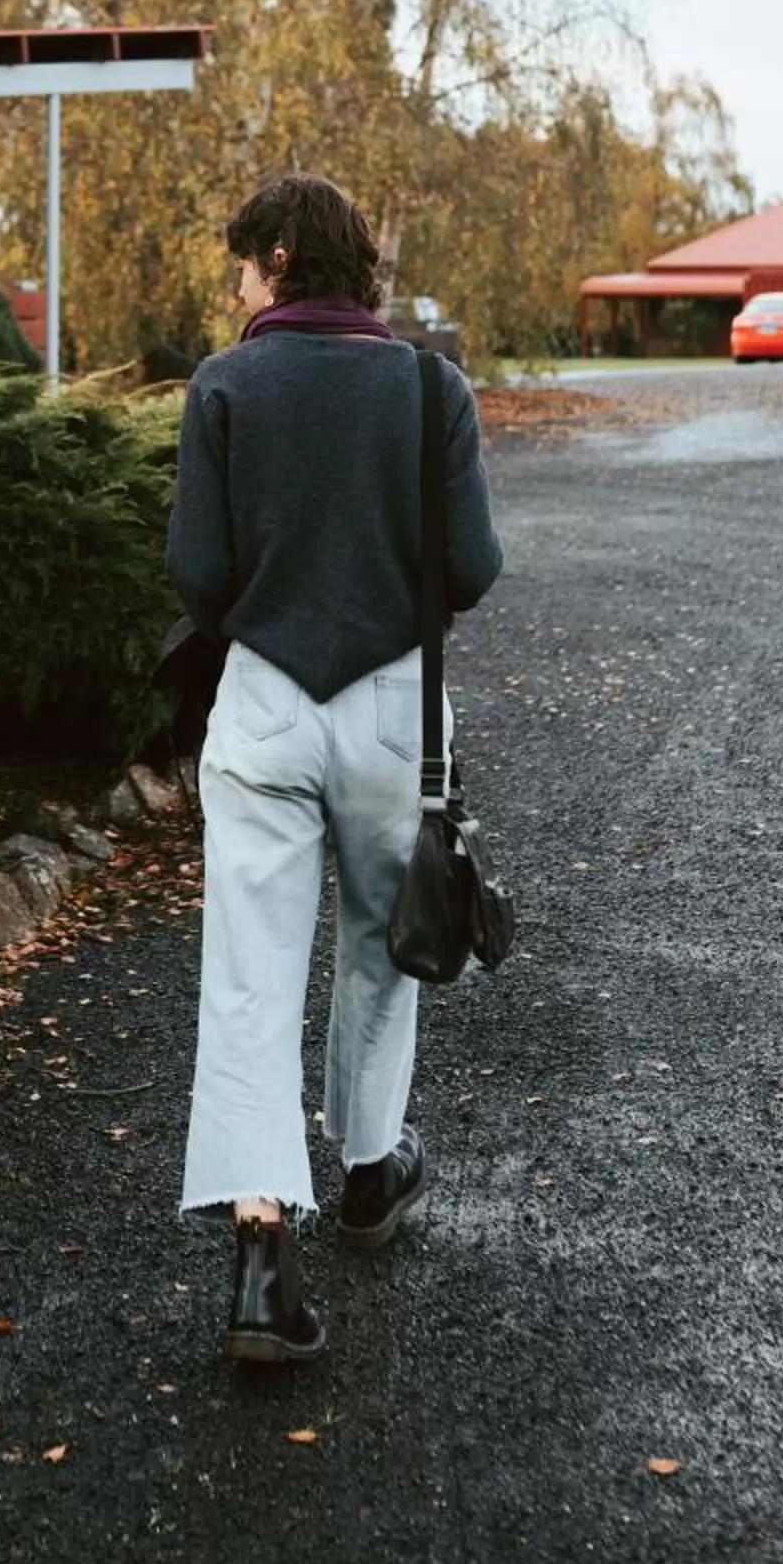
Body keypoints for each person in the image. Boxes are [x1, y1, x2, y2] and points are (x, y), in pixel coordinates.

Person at [167, 173, 504, 1362]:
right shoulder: (426, 386)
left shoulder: (223, 385)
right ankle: (366, 1174)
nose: (233, 287)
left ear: (273, 256)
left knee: (250, 971)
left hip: (262, 697)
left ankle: (261, 1256)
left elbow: (196, 574)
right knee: (380, 943)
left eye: (239, 266)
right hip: (389, 706)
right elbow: (469, 566)